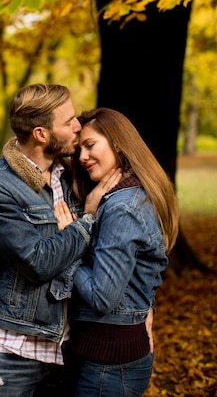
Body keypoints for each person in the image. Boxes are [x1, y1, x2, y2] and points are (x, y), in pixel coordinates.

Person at [0, 85, 122, 397]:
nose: (78, 126)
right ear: (40, 134)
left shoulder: (67, 175)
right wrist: (87, 219)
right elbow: (39, 262)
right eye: (68, 123)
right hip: (15, 351)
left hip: (64, 346)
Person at [55, 107, 179, 397]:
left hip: (110, 364)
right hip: (110, 354)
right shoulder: (133, 194)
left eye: (90, 145)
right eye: (79, 150)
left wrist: (67, 246)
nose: (82, 157)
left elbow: (101, 296)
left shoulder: (122, 208)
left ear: (118, 143)